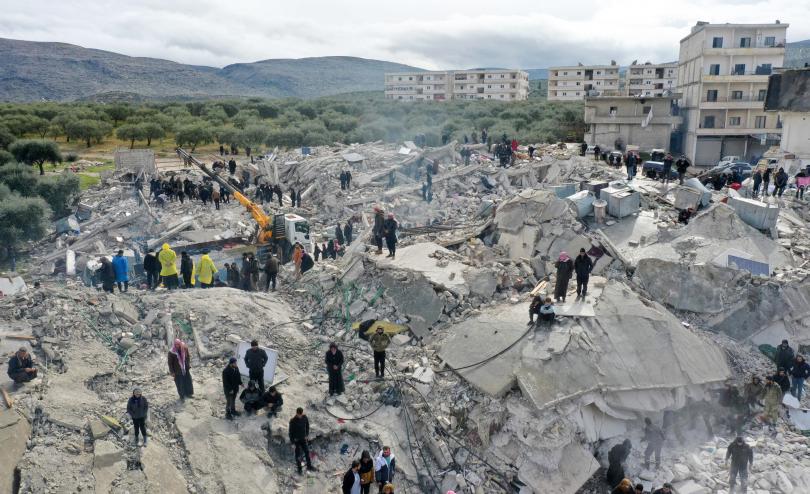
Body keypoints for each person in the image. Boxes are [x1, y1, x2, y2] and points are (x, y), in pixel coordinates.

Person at [289, 407, 316, 473]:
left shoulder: (304, 417)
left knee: (307, 452)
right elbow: (290, 432)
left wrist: (306, 434)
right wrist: (292, 442)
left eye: (301, 414)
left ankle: (309, 466)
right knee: (298, 455)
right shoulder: (293, 421)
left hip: (303, 439)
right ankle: (299, 469)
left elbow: (307, 426)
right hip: (296, 440)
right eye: (299, 415)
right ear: (297, 413)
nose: (300, 416)